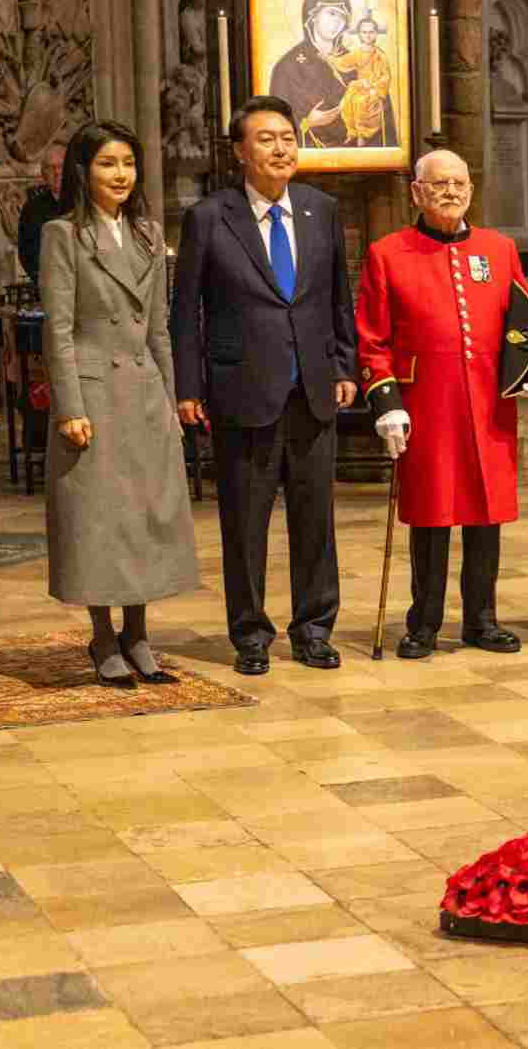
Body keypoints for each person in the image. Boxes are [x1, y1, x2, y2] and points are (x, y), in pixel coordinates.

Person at [170, 95, 357, 675]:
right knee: (245, 523)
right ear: (239, 152)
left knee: (314, 520)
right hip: (240, 390)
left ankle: (314, 627)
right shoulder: (209, 217)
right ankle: (250, 633)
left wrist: (346, 367)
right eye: (266, 139)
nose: (281, 148)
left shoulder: (320, 210)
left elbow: (337, 298)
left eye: (287, 137)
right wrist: (188, 385)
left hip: (312, 389)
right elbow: (186, 311)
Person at [355, 149, 528, 659]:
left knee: (486, 514)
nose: (451, 192)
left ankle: (482, 620)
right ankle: (423, 624)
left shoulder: (497, 249)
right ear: (416, 192)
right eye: (440, 183)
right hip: (427, 407)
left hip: (489, 406)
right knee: (430, 517)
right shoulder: (388, 253)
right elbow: (372, 339)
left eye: (460, 183)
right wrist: (385, 400)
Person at [40, 121, 198, 687]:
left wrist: (172, 397)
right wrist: (69, 406)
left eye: (128, 163)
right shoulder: (63, 235)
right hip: (93, 396)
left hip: (142, 393)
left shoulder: (150, 235)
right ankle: (103, 637)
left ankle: (139, 634)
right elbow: (57, 331)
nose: (121, 175)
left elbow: (157, 329)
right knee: (99, 520)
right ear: (84, 171)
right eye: (108, 163)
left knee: (144, 518)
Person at [269, 0, 394, 149]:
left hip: (355, 159)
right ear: (313, 16)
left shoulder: (358, 60)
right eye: (331, 13)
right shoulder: (288, 66)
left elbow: (382, 115)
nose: (337, 22)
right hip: (307, 160)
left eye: (342, 17)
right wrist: (307, 123)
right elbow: (275, 121)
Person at [330, 16, 394, 146]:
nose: (368, 35)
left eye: (371, 32)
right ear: (359, 34)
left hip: (373, 89)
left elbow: (385, 76)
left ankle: (363, 135)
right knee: (347, 103)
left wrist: (375, 89)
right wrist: (331, 57)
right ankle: (352, 132)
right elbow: (343, 62)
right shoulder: (357, 53)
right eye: (364, 32)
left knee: (360, 102)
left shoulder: (380, 55)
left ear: (376, 33)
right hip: (359, 86)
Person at [18, 144, 66, 286]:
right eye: (51, 168)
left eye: (61, 166)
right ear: (43, 173)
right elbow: (26, 251)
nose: (57, 172)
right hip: (50, 284)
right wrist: (42, 279)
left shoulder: (85, 201)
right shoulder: (32, 208)